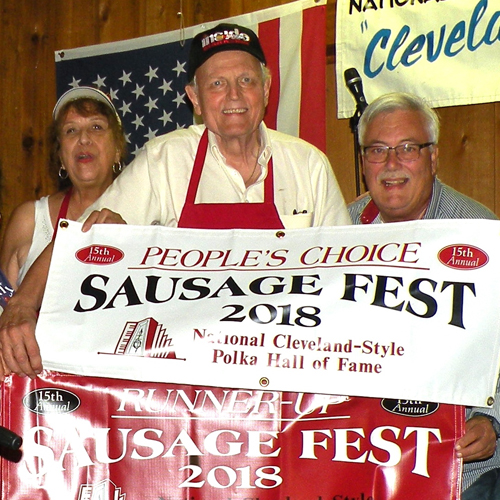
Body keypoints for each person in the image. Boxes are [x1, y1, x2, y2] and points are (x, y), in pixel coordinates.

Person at [0, 23, 350, 373]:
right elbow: (81, 234)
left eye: (246, 80)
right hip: (190, 375)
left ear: (267, 88)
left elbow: (349, 274)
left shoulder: (308, 165)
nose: (233, 96)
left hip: (286, 366)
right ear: (194, 98)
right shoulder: (165, 160)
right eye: (216, 84)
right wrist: (22, 305)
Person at [348, 91, 500, 499]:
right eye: (377, 150)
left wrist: (492, 419)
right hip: (363, 465)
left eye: (408, 149)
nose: (392, 164)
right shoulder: (339, 232)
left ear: (433, 158)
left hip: (463, 471)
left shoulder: (481, 232)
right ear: (363, 162)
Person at [0, 86, 127, 288]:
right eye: (71, 130)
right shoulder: (29, 220)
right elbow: (4, 310)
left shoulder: (144, 215)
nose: (83, 138)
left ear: (118, 150)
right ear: (60, 156)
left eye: (96, 127)